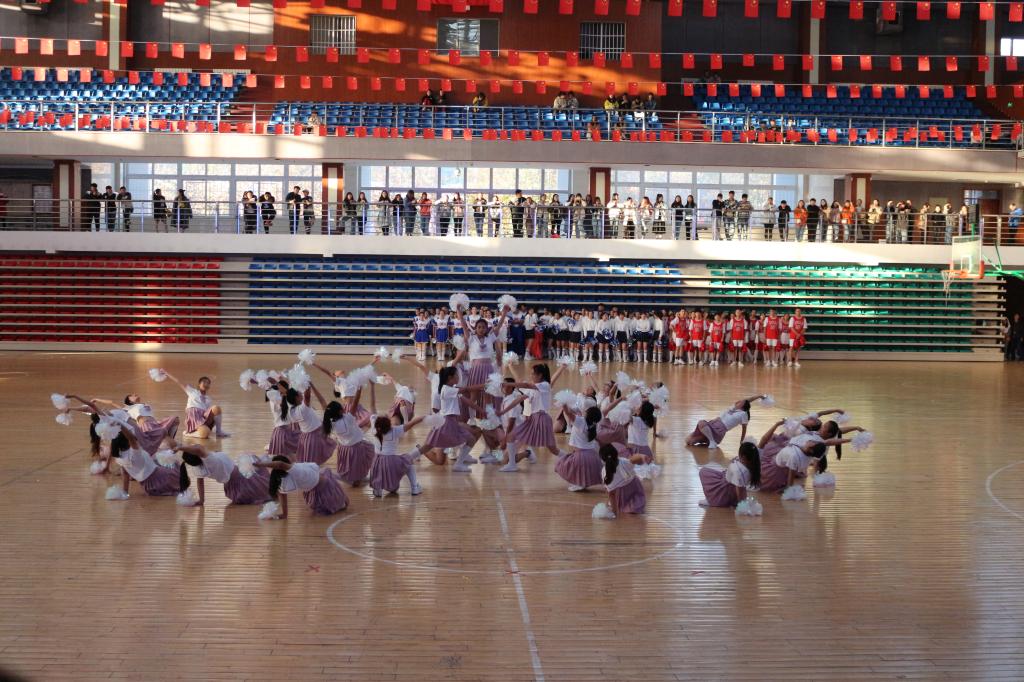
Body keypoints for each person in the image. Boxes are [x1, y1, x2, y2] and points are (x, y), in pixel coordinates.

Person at [175, 444, 272, 506]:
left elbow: (200, 482)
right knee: (267, 489)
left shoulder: (200, 466)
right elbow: (199, 449)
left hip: (233, 484)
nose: (195, 445)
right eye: (193, 447)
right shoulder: (209, 460)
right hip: (244, 479)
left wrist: (201, 500)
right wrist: (180, 447)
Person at [256, 456, 349, 518]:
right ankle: (340, 499)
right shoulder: (282, 478)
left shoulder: (295, 470)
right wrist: (285, 514)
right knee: (323, 508)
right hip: (313, 487)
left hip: (324, 486)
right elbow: (283, 495)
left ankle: (341, 499)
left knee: (341, 506)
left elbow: (279, 464)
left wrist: (260, 465)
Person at [160, 370, 229, 439]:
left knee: (216, 408)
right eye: (204, 382)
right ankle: (188, 433)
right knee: (205, 433)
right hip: (193, 417)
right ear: (199, 384)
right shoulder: (192, 391)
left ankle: (218, 431)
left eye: (208, 383)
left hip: (202, 418)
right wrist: (167, 373)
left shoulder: (208, 399)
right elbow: (178, 381)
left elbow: (208, 414)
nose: (206, 384)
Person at [685, 394, 770, 449]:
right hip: (711, 425)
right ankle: (710, 440)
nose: (738, 401)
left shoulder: (743, 414)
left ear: (743, 406)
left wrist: (741, 441)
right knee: (688, 441)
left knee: (701, 423)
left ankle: (712, 441)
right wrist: (760, 396)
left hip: (719, 430)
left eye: (741, 402)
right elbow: (748, 399)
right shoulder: (733, 408)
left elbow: (744, 429)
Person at [697, 441, 761, 508]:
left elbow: (739, 490)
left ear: (743, 457)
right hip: (729, 483)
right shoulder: (754, 464)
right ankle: (716, 498)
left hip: (725, 490)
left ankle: (713, 499)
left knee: (703, 472)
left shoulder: (740, 470)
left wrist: (742, 505)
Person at [601, 444, 646, 514]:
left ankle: (625, 507)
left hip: (621, 495)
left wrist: (614, 513)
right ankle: (632, 506)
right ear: (616, 453)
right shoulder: (623, 461)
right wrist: (642, 456)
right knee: (635, 505)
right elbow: (634, 459)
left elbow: (611, 494)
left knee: (623, 507)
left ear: (603, 459)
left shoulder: (604, 471)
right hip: (635, 488)